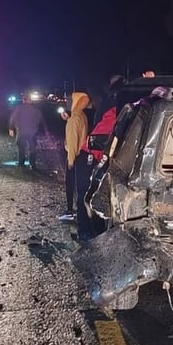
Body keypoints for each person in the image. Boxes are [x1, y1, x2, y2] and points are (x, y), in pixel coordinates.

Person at [74, 75, 123, 242]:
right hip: (90, 156)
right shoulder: (116, 111)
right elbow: (100, 135)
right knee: (86, 195)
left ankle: (99, 233)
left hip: (108, 159)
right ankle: (85, 232)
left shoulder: (133, 113)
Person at [59, 90, 90, 221]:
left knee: (70, 184)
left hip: (74, 156)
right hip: (83, 155)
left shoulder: (73, 119)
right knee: (81, 185)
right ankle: (80, 211)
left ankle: (70, 210)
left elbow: (72, 141)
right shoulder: (82, 115)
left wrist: (70, 160)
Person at [8, 94, 45, 171]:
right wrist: (36, 127)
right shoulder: (35, 109)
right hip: (32, 132)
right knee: (32, 148)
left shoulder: (18, 108)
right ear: (30, 100)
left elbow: (13, 118)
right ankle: (33, 164)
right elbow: (40, 119)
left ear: (23, 100)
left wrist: (11, 128)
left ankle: (21, 163)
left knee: (21, 148)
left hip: (21, 131)